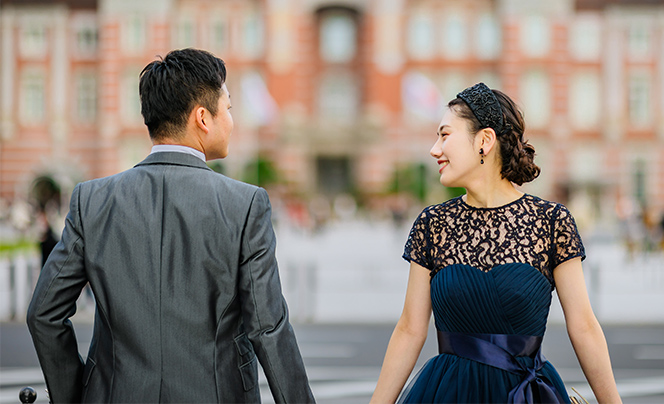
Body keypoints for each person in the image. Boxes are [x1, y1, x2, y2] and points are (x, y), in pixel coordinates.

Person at [26, 48, 315, 404]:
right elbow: (268, 329)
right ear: (203, 118)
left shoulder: (92, 200)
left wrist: (78, 394)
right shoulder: (245, 204)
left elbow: (44, 314)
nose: (232, 120)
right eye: (228, 108)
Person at [371, 83, 621, 403]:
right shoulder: (432, 224)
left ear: (484, 141)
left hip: (526, 395)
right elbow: (409, 329)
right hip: (447, 394)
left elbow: (584, 327)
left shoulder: (552, 221)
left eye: (445, 135)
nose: (435, 149)